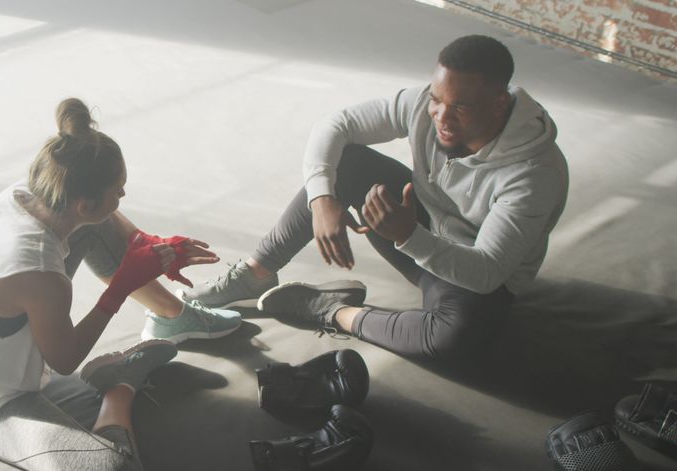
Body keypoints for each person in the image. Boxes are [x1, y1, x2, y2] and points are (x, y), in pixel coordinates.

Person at [0, 98, 240, 471]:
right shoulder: (41, 272)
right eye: (119, 191)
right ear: (85, 203)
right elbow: (66, 360)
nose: (124, 194)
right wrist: (123, 283)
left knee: (100, 227)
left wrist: (145, 243)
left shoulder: (27, 193)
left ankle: (173, 317)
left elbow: (102, 218)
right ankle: (118, 384)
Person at [182, 35, 568, 363]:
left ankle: (329, 309)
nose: (441, 116)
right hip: (414, 224)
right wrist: (321, 200)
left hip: (476, 276)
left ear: (499, 103)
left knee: (458, 340)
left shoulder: (533, 175)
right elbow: (337, 124)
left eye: (461, 107)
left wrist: (409, 235)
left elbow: (486, 273)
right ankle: (256, 274)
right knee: (345, 161)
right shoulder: (426, 106)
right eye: (437, 98)